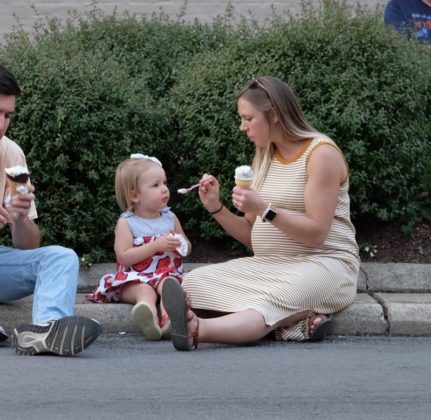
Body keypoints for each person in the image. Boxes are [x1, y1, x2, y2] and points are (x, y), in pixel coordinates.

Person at [162, 76, 360, 351]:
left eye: (248, 118)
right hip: (270, 265)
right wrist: (216, 208)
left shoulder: (321, 154)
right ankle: (293, 325)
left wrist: (264, 209)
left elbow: (317, 234)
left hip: (325, 264)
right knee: (192, 284)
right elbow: (252, 237)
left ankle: (199, 330)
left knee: (272, 299)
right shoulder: (264, 155)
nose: (242, 127)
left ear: (275, 116)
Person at [0, 65, 102, 356]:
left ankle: (46, 330)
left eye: (7, 116)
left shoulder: (10, 153)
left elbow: (28, 245)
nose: (2, 126)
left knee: (61, 258)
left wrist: (19, 218)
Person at [87, 154, 191, 341]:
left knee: (170, 287)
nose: (164, 190)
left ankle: (169, 319)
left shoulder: (170, 218)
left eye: (164, 183)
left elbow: (188, 247)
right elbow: (124, 256)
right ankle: (147, 313)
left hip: (166, 275)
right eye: (155, 185)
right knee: (144, 291)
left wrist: (181, 245)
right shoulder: (127, 223)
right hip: (133, 278)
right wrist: (155, 246)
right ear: (134, 195)